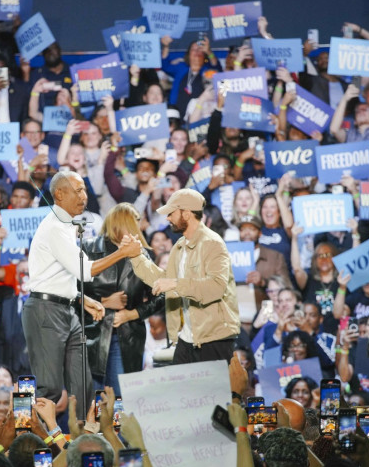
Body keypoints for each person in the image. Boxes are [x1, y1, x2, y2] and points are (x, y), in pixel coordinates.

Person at [23, 171, 140, 417]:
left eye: (85, 190)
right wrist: (123, 252)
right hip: (45, 312)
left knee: (83, 386)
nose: (83, 196)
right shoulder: (55, 226)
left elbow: (55, 274)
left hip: (67, 311)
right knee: (50, 389)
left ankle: (82, 443)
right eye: (77, 191)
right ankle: (35, 445)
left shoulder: (66, 225)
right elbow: (85, 270)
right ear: (59, 194)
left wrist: (81, 299)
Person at [123, 189, 241, 364]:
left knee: (212, 393)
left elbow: (216, 287)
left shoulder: (212, 243)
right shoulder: (179, 246)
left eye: (171, 213)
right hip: (185, 338)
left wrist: (175, 284)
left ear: (186, 214)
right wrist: (136, 256)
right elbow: (163, 279)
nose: (168, 218)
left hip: (214, 338)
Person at [82, 203, 164, 395]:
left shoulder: (142, 255)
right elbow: (71, 290)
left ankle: (118, 427)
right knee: (93, 400)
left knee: (119, 399)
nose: (139, 229)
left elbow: (162, 294)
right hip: (92, 334)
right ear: (120, 224)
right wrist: (102, 301)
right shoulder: (87, 248)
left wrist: (132, 314)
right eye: (134, 223)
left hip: (125, 336)